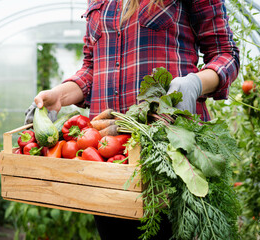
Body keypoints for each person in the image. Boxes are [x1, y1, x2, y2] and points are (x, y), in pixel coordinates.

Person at [25, 0, 239, 238]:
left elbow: (225, 54)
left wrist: (195, 84)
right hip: (106, 160)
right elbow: (91, 67)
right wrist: (60, 95)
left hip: (169, 151)